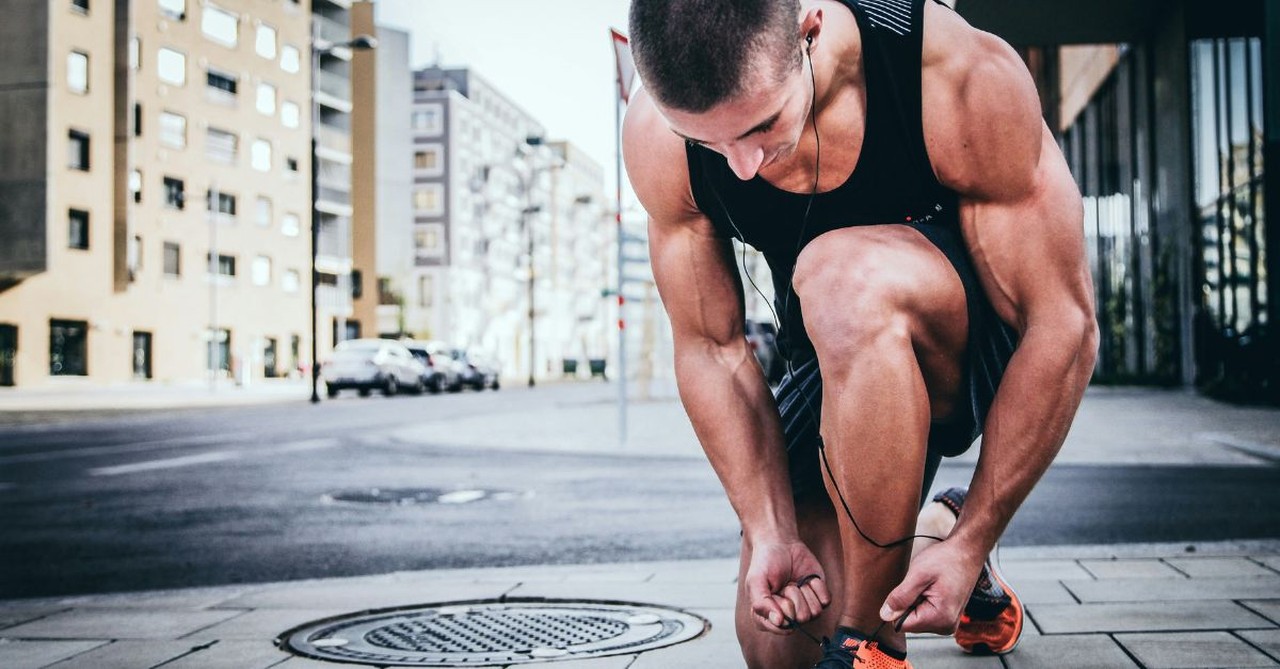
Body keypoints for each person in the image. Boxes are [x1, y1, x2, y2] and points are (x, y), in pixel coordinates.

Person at [621, 0, 1099, 667]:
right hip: (837, 360)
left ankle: (871, 643)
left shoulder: (951, 71)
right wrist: (769, 529)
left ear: (808, 33)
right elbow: (712, 347)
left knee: (842, 275)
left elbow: (1063, 324)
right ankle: (932, 529)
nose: (742, 166)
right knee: (779, 641)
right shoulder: (656, 135)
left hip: (972, 348)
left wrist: (980, 531)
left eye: (761, 125)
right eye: (709, 143)